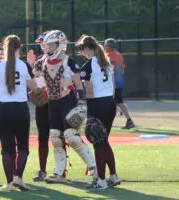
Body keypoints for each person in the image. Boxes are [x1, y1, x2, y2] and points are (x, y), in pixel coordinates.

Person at [35, 30, 96, 183]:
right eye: (46, 44)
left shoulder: (69, 61)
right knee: (55, 136)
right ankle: (59, 173)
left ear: (60, 44)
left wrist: (82, 102)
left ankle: (94, 168)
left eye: (50, 44)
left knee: (71, 136)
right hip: (52, 103)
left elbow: (78, 83)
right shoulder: (42, 62)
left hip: (67, 101)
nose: (47, 47)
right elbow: (37, 82)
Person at [0, 35, 37, 191]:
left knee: (7, 148)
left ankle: (9, 183)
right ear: (19, 47)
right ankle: (18, 178)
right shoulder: (24, 65)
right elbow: (34, 88)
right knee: (23, 147)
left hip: (2, 108)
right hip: (20, 108)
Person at [76, 35, 121, 189]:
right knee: (104, 141)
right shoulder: (106, 62)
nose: (82, 53)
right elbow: (113, 87)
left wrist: (84, 105)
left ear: (89, 48)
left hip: (97, 104)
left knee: (98, 143)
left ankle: (101, 180)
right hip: (110, 103)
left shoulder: (87, 67)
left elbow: (89, 90)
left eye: (82, 49)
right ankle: (113, 175)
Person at [27, 31, 50, 182]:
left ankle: (62, 170)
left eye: (44, 42)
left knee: (61, 136)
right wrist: (30, 65)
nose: (41, 45)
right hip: (42, 104)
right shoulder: (39, 61)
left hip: (58, 102)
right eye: (40, 42)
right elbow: (32, 80)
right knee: (43, 137)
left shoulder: (63, 60)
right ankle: (42, 170)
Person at [104, 38, 135, 129]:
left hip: (114, 82)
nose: (105, 47)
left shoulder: (108, 55)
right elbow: (122, 68)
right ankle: (126, 118)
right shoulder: (118, 54)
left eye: (106, 45)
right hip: (120, 80)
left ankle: (129, 120)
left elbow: (109, 69)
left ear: (108, 46)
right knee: (116, 101)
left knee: (118, 101)